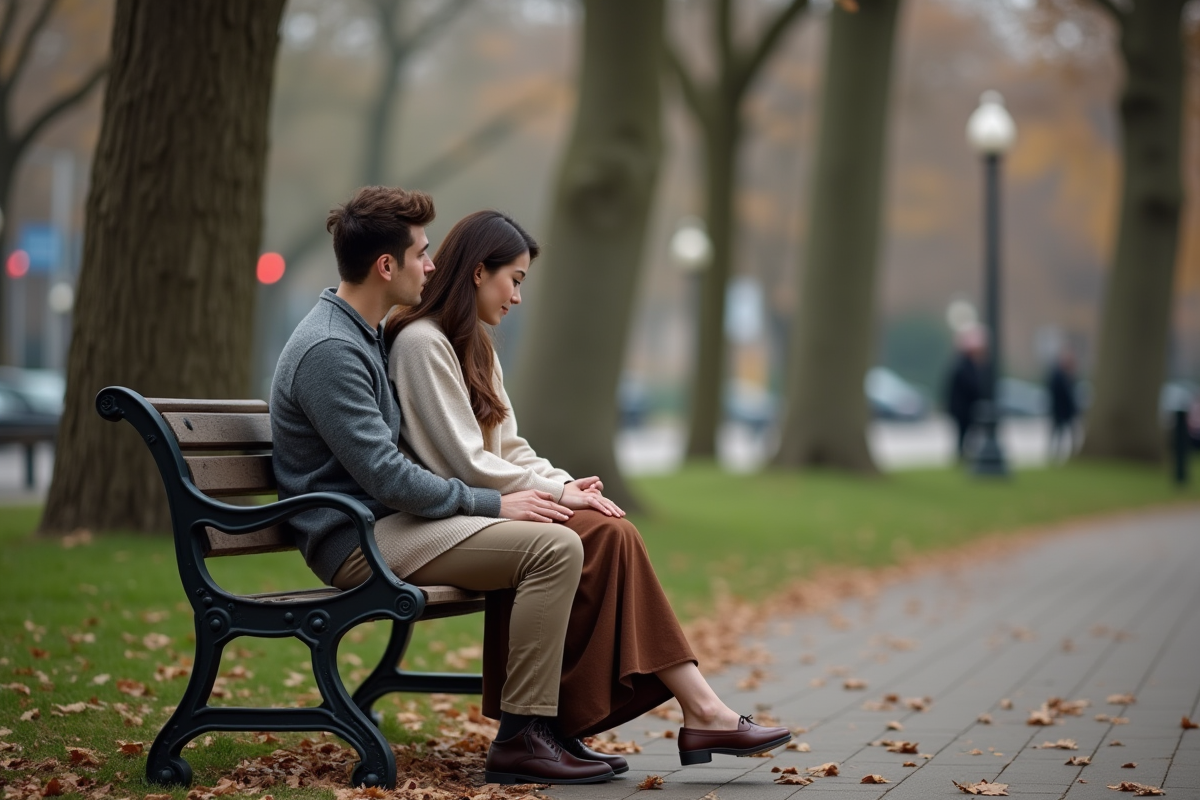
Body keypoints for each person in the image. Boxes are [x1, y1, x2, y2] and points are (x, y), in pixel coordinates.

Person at [371, 209, 791, 781]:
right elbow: (461, 462)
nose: (517, 297)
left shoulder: (477, 347)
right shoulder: (422, 344)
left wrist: (565, 486)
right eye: (513, 280)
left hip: (475, 512)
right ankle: (563, 729)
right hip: (434, 519)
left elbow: (511, 448)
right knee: (570, 542)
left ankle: (673, 713)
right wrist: (557, 495)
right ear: (477, 273)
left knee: (614, 532)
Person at [271, 187, 616, 785]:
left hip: (391, 523)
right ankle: (522, 737)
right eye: (422, 253)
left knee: (557, 535)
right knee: (552, 547)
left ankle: (545, 729)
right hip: (355, 538)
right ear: (387, 266)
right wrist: (494, 502)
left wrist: (517, 495)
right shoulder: (331, 349)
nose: (432, 266)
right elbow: (386, 474)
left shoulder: (364, 332)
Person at [943, 326, 986, 461]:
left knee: (966, 432)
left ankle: (964, 454)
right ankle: (962, 455)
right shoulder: (964, 366)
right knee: (964, 432)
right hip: (963, 408)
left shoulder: (961, 364)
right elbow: (971, 386)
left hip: (963, 407)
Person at [1046, 348, 1079, 461]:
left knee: (1070, 433)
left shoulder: (1069, 375)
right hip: (1059, 410)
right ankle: (1053, 456)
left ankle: (1072, 454)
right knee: (1057, 433)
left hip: (1068, 411)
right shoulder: (1058, 375)